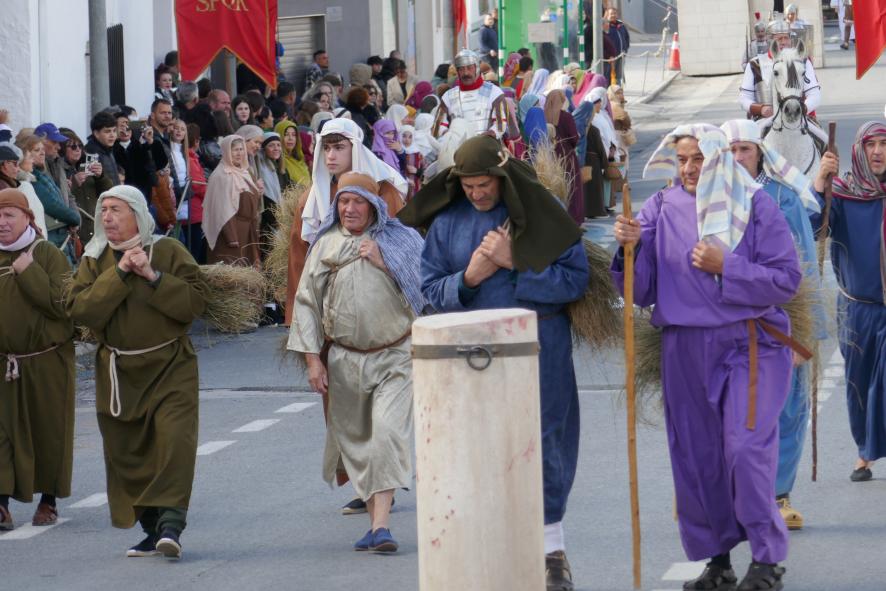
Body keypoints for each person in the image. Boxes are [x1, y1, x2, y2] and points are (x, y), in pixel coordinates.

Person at [612, 124, 802, 591]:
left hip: (749, 344)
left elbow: (786, 279)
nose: (689, 168)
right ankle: (718, 561)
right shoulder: (660, 206)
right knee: (698, 457)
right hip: (683, 347)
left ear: (718, 159)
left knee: (746, 449)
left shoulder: (756, 204)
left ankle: (767, 560)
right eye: (682, 160)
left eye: (699, 158)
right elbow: (641, 290)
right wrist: (629, 247)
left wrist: (727, 267)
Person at [398, 135, 589, 591]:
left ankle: (552, 552)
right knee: (477, 449)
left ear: (502, 178)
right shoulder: (447, 223)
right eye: (468, 187)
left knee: (544, 443)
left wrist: (514, 263)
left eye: (484, 185)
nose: (477, 194)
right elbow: (428, 292)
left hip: (539, 347)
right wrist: (468, 278)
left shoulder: (542, 213)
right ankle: (486, 553)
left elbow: (574, 281)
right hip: (469, 356)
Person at [66, 184, 207, 560]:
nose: (107, 217)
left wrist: (153, 276)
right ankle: (150, 529)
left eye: (116, 209)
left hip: (170, 366)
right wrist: (121, 272)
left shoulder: (168, 251)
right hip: (119, 373)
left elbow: (195, 303)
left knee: (174, 443)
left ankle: (172, 525)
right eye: (104, 210)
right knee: (128, 453)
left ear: (138, 215)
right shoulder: (95, 259)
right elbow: (81, 310)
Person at [288, 172, 423, 552]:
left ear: (374, 206)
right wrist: (313, 362)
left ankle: (381, 527)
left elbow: (424, 288)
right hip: (345, 362)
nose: (349, 209)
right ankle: (375, 523)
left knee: (387, 434)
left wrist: (385, 263)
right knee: (359, 444)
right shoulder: (325, 245)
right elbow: (307, 305)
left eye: (357, 201)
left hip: (396, 357)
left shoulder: (400, 240)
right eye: (344, 201)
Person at [722, 118, 828, 531]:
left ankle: (778, 494)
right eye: (730, 151)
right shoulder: (710, 198)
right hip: (728, 321)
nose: (737, 158)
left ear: (760, 153)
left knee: (787, 408)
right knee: (731, 411)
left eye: (744, 150)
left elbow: (805, 267)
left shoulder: (783, 198)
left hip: (780, 320)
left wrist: (805, 331)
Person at [813, 121, 886, 481]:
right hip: (857, 307)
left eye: (884, 144)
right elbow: (816, 227)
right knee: (859, 384)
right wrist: (819, 183)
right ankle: (865, 451)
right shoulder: (841, 193)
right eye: (871, 144)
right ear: (859, 149)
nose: (878, 152)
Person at [0, 188, 74, 531]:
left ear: (27, 218)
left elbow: (63, 306)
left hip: (46, 359)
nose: (2, 223)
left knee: (49, 430)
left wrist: (29, 272)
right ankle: (1, 504)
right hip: (4, 362)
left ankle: (49, 500)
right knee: (2, 433)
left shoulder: (47, 254)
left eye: (9, 215)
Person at [285, 118, 407, 327]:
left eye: (339, 147)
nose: (331, 155)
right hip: (329, 305)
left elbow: (400, 245)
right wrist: (299, 317)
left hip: (376, 302)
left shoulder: (383, 191)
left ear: (355, 148)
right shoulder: (312, 201)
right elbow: (299, 258)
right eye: (326, 148)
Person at [739, 17, 820, 121]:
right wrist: (761, 109)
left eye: (786, 38)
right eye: (779, 39)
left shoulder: (803, 61)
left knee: (819, 132)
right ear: (769, 40)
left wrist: (803, 108)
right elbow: (744, 98)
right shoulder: (755, 65)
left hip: (799, 119)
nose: (783, 42)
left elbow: (814, 94)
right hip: (763, 119)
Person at [15, 135, 80, 255]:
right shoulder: (27, 183)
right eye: (36, 150)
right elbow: (52, 204)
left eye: (42, 149)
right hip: (51, 234)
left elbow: (65, 197)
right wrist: (74, 218)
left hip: (58, 231)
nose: (42, 153)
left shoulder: (40, 174)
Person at [203, 135, 261, 267]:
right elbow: (221, 209)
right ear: (226, 152)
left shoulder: (244, 172)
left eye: (241, 149)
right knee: (232, 268)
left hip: (247, 229)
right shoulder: (221, 175)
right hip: (232, 231)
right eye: (235, 150)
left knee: (247, 268)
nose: (239, 153)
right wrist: (231, 237)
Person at [433, 49, 516, 141]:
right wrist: (447, 134)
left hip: (487, 145)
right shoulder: (447, 97)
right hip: (457, 147)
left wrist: (489, 135)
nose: (466, 73)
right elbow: (438, 126)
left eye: (469, 68)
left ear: (477, 68)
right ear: (457, 71)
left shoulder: (495, 92)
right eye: (461, 69)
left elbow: (501, 124)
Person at [62, 130, 113, 246]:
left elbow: (108, 193)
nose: (78, 149)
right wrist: (74, 183)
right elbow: (61, 199)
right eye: (73, 147)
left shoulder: (87, 165)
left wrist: (101, 176)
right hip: (76, 231)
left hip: (95, 227)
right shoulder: (59, 170)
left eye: (80, 146)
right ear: (62, 149)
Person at [544, 90, 583, 223]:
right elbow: (574, 138)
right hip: (567, 155)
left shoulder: (543, 115)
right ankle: (574, 219)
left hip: (549, 155)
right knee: (572, 186)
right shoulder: (566, 116)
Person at [0, 143, 48, 236]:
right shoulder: (6, 190)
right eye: (15, 164)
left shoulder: (7, 186)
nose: (18, 169)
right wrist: (39, 237)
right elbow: (23, 220)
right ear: (5, 164)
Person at [274, 120, 311, 187]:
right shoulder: (277, 161)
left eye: (294, 135)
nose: (290, 138)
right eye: (286, 135)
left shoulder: (300, 159)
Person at [604, 8, 630, 85]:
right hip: (610, 58)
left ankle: (618, 89)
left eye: (615, 13)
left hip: (621, 55)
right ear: (607, 15)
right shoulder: (605, 26)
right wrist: (607, 55)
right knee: (609, 75)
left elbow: (626, 38)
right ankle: (608, 89)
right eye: (611, 14)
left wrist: (625, 49)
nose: (613, 15)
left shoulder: (621, 25)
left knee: (619, 76)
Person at [399, 125, 422, 199]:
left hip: (414, 188)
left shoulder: (418, 153)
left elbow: (425, 170)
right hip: (400, 187)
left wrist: (417, 171)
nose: (407, 140)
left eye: (410, 137)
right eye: (404, 136)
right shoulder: (396, 152)